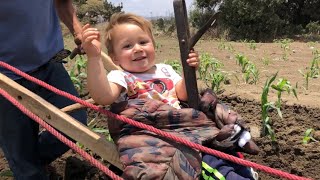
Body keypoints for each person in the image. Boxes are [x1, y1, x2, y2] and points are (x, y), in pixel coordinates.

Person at [82, 12, 258, 179]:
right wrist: (94, 57)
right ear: (115, 58)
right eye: (127, 46)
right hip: (157, 135)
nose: (137, 49)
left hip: (188, 126)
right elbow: (103, 97)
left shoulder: (165, 70)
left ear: (153, 45)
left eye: (143, 42)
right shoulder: (121, 77)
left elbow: (183, 94)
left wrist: (188, 70)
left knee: (223, 149)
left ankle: (242, 167)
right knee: (210, 163)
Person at [0, 1, 87, 179]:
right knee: (22, 154)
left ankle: (28, 165)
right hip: (5, 77)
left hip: (50, 62)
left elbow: (61, 2)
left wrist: (78, 33)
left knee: (74, 124)